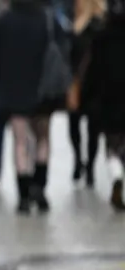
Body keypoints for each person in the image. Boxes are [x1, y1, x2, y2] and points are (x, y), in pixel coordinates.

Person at [0, 0, 64, 214]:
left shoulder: (3, 21)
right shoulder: (48, 19)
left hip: (15, 91)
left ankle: (23, 196)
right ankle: (40, 188)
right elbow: (63, 49)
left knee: (20, 142)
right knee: (43, 139)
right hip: (44, 91)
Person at [85, 0, 125, 211]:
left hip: (108, 99)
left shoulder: (100, 37)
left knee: (112, 145)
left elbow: (93, 71)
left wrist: (88, 97)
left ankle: (116, 175)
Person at [67, 0, 105, 187]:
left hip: (78, 85)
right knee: (93, 130)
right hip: (97, 86)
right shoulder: (103, 27)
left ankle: (78, 161)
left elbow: (70, 58)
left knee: (74, 126)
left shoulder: (76, 29)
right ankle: (89, 167)